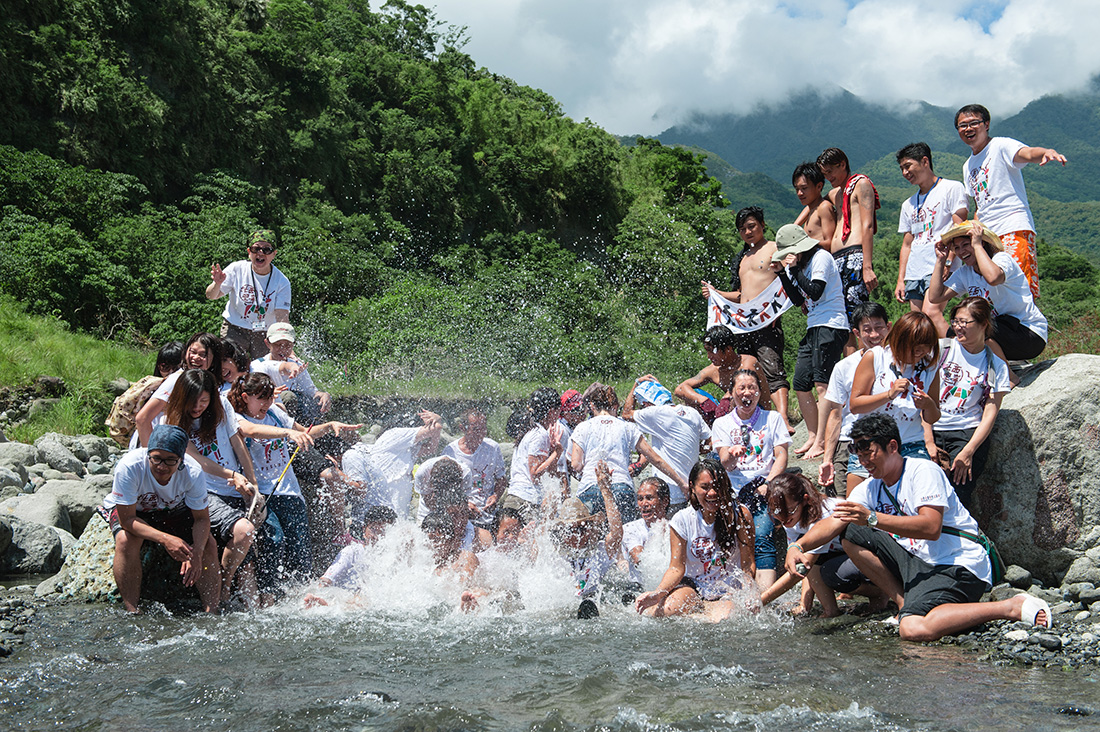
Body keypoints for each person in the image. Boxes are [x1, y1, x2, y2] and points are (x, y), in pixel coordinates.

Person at [785, 413, 1052, 642]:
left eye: (869, 452)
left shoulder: (923, 472)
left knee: (912, 629)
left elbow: (931, 527)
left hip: (956, 563)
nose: (864, 461)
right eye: (858, 454)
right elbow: (834, 521)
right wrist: (799, 546)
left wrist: (873, 518)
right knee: (850, 532)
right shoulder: (871, 486)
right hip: (917, 562)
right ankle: (902, 603)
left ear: (892, 446)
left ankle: (1009, 607)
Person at [228, 373, 362, 587]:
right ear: (245, 397)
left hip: (290, 492)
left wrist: (329, 425)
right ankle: (269, 593)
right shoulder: (237, 417)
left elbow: (304, 432)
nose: (268, 403)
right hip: (262, 493)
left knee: (300, 548)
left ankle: (300, 595)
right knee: (274, 541)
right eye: (262, 398)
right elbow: (250, 430)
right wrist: (287, 434)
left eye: (271, 397)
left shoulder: (273, 413)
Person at [163, 369, 263, 606]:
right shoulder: (174, 419)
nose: (197, 407)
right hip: (203, 490)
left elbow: (237, 444)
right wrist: (232, 475)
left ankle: (253, 603)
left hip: (234, 487)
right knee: (244, 531)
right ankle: (225, 589)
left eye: (204, 401)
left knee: (250, 556)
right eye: (192, 401)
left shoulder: (222, 408)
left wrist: (253, 485)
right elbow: (195, 458)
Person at [100, 425, 221, 613]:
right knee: (125, 540)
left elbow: (202, 520)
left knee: (208, 544)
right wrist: (165, 539)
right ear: (148, 454)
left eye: (170, 461)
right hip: (135, 511)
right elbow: (127, 520)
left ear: (181, 460)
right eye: (156, 459)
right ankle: (132, 610)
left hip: (172, 508)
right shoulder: (130, 466)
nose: (162, 466)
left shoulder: (192, 471)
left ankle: (212, 612)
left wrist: (196, 553)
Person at [955, 103, 1067, 300]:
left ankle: (1029, 329)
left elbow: (1027, 153)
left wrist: (1045, 152)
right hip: (989, 235)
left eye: (974, 123)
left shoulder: (1000, 145)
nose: (968, 129)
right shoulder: (967, 165)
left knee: (1021, 288)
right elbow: (979, 205)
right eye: (962, 126)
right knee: (997, 292)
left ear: (986, 124)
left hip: (1012, 226)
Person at [700, 207, 792, 432]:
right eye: (742, 229)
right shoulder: (742, 257)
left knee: (773, 369)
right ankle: (751, 416)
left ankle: (783, 419)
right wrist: (716, 293)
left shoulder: (774, 248)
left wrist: (777, 312)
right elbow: (740, 294)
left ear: (762, 224)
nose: (748, 232)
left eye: (751, 226)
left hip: (767, 318)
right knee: (744, 369)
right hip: (743, 322)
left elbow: (789, 280)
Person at [634, 458, 756, 620]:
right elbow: (676, 568)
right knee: (668, 610)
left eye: (717, 487)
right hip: (693, 586)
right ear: (693, 487)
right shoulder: (682, 519)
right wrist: (658, 593)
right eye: (705, 487)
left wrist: (748, 592)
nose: (712, 493)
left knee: (724, 619)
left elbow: (748, 564)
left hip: (727, 588)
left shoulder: (740, 515)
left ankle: (707, 610)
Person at [769, 223, 850, 457]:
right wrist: (782, 273)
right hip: (814, 325)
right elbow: (798, 299)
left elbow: (816, 291)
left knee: (823, 385)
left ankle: (824, 440)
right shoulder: (799, 265)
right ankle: (814, 435)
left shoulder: (821, 258)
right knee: (801, 383)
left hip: (831, 325)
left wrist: (793, 271)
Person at [927, 220, 1047, 374]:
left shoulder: (1002, 259)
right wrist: (940, 260)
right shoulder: (966, 272)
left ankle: (1009, 377)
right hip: (1000, 331)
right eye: (957, 248)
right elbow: (935, 297)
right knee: (954, 332)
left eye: (966, 244)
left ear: (982, 243)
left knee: (978, 327)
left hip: (1029, 334)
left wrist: (976, 245)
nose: (961, 251)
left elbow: (993, 278)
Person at [710, 369, 790, 589]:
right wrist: (732, 455)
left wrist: (769, 484)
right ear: (731, 393)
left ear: (759, 391)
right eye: (742, 388)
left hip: (764, 486)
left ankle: (765, 595)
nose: (747, 393)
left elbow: (781, 455)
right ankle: (729, 590)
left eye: (752, 387)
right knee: (726, 539)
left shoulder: (772, 418)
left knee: (763, 535)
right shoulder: (722, 424)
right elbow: (725, 463)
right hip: (733, 491)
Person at [931, 297, 1012, 508]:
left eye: (964, 322)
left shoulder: (996, 365)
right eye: (955, 321)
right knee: (927, 494)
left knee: (958, 499)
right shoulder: (941, 349)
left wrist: (968, 451)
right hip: (931, 429)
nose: (958, 327)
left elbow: (990, 412)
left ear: (984, 324)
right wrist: (927, 441)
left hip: (966, 433)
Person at [570, 383, 687, 525]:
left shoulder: (582, 427)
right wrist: (681, 482)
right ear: (615, 405)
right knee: (624, 539)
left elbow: (575, 465)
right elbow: (655, 459)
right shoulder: (627, 427)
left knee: (590, 541)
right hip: (621, 488)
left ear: (592, 406)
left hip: (590, 488)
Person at [894, 142, 969, 337]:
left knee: (932, 313)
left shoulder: (951, 188)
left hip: (939, 264)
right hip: (914, 270)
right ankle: (932, 365)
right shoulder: (908, 204)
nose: (905, 172)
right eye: (902, 168)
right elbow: (907, 244)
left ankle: (961, 353)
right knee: (918, 327)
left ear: (925, 161)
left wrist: (949, 261)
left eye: (908, 166)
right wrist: (901, 279)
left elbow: (959, 227)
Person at [817, 302, 891, 497]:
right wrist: (827, 459)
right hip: (849, 441)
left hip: (887, 440)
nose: (874, 335)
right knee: (843, 502)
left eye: (879, 328)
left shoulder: (900, 359)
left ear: (889, 327)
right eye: (867, 330)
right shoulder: (844, 366)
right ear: (857, 334)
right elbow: (835, 414)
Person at [322, 409, 443, 526]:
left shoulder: (404, 449)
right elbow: (434, 429)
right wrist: (437, 421)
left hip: (392, 517)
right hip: (381, 518)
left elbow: (430, 449)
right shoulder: (394, 435)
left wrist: (437, 425)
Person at [550, 462, 639, 618]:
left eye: (583, 527)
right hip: (568, 607)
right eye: (572, 529)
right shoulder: (554, 555)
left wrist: (605, 491)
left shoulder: (600, 549)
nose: (578, 534)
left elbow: (617, 533)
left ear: (590, 528)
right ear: (562, 533)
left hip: (596, 604)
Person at [849, 312, 941, 459]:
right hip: (871, 441)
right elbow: (855, 405)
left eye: (925, 348)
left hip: (911, 442)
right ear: (900, 340)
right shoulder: (877, 357)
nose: (919, 352)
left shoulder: (929, 367)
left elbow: (933, 417)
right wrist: (888, 395)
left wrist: (928, 405)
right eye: (914, 347)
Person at [818, 147, 880, 347]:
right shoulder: (835, 193)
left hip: (854, 254)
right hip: (836, 259)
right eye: (824, 174)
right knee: (842, 319)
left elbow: (867, 225)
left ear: (842, 165)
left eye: (830, 172)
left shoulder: (861, 184)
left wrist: (867, 266)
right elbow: (812, 203)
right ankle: (851, 369)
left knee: (859, 316)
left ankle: (866, 365)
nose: (828, 177)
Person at [622, 375, 711, 513]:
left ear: (646, 404)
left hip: (668, 492)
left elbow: (626, 414)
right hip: (691, 490)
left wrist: (636, 384)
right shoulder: (692, 413)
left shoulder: (656, 413)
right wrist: (694, 449)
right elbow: (710, 443)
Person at [760, 473, 843, 617]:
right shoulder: (790, 518)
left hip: (862, 556)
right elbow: (802, 566)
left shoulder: (823, 513)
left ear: (805, 500)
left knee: (827, 571)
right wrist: (805, 606)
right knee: (811, 562)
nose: (784, 519)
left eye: (789, 511)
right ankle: (829, 609)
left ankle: (876, 596)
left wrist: (760, 601)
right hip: (834, 555)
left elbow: (801, 570)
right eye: (777, 512)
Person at [207, 229, 291, 359]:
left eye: (267, 249)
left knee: (263, 372)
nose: (261, 253)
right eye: (256, 249)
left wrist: (285, 344)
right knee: (228, 364)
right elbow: (211, 296)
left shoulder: (282, 281)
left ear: (274, 254)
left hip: (265, 332)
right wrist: (217, 284)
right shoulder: (236, 269)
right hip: (235, 328)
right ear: (248, 252)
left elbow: (282, 318)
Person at [134, 333, 223, 446]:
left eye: (202, 354)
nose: (195, 357)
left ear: (214, 358)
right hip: (155, 443)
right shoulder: (177, 379)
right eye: (193, 352)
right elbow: (142, 418)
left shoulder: (208, 381)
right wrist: (151, 456)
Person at [675, 326, 773, 426]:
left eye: (712, 351)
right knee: (693, 394)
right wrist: (703, 401)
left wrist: (725, 401)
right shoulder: (713, 370)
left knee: (733, 399)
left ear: (728, 349)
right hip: (730, 413)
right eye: (707, 351)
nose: (709, 356)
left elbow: (739, 386)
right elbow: (680, 389)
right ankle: (708, 433)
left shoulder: (748, 362)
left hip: (759, 413)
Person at [497, 388, 567, 524]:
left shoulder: (530, 430)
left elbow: (549, 472)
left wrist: (553, 453)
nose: (559, 415)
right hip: (525, 499)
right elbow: (534, 474)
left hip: (518, 497)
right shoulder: (539, 434)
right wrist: (557, 452)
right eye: (559, 410)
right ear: (552, 411)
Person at [442, 409, 508, 549]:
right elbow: (444, 488)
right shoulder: (450, 452)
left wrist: (495, 496)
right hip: (462, 518)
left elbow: (502, 480)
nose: (481, 433)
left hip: (487, 515)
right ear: (462, 428)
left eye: (484, 428)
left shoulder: (492, 448)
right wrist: (464, 504)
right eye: (476, 428)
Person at [250, 322, 332, 422]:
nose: (283, 349)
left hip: (296, 414)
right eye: (278, 344)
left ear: (293, 344)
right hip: (268, 416)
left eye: (288, 345)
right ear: (267, 343)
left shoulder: (298, 364)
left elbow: (311, 392)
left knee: (316, 403)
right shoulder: (258, 365)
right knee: (289, 396)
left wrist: (324, 395)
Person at [621, 476, 671, 566]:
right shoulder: (630, 528)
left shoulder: (676, 528)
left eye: (649, 498)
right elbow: (640, 561)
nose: (644, 504)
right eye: (640, 499)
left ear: (665, 501)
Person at [792, 161, 836, 244]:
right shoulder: (811, 210)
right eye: (797, 189)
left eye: (804, 188)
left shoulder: (824, 207)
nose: (799, 193)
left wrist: (803, 245)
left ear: (819, 186)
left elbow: (829, 243)